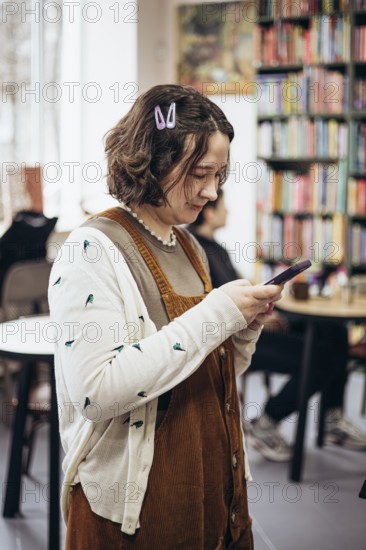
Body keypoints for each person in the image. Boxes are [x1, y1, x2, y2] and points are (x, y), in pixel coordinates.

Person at [48, 84, 283, 549]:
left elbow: (206, 378)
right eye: (199, 174)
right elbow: (97, 393)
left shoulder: (189, 245)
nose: (211, 191)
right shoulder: (91, 250)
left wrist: (241, 332)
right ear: (153, 160)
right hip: (137, 509)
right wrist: (216, 316)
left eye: (219, 175)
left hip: (211, 488)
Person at [188, 193, 366, 462]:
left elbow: (239, 291)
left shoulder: (216, 247)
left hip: (257, 322)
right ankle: (266, 421)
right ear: (210, 213)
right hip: (239, 336)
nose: (229, 213)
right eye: (223, 207)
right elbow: (215, 306)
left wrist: (266, 304)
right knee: (322, 355)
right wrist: (257, 312)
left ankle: (332, 416)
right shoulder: (198, 251)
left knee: (335, 333)